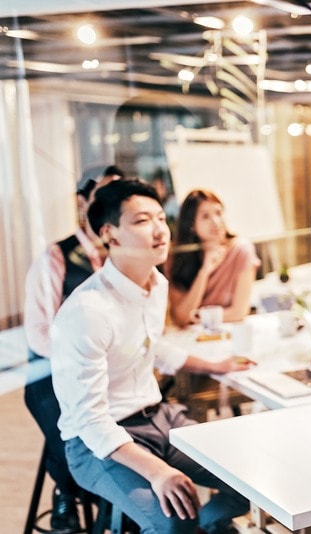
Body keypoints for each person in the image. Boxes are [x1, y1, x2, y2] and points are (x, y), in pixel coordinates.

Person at [49, 179, 254, 533]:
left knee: (249, 480)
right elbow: (91, 422)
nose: (160, 230)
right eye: (143, 221)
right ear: (110, 235)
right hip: (98, 442)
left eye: (161, 218)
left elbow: (149, 345)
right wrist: (159, 471)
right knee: (175, 521)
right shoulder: (87, 311)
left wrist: (213, 365)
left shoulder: (156, 284)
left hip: (158, 418)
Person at [22, 164, 124, 531]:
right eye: (105, 195)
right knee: (75, 428)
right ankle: (66, 493)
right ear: (83, 203)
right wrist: (87, 353)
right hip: (51, 376)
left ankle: (116, 509)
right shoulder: (56, 256)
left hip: (107, 371)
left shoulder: (123, 257)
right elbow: (37, 333)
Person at [166, 189, 260, 327]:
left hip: (229, 333)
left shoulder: (241, 250)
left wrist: (199, 316)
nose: (216, 222)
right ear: (191, 225)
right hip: (192, 338)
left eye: (218, 213)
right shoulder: (177, 257)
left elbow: (239, 312)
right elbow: (181, 318)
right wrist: (204, 272)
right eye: (205, 216)